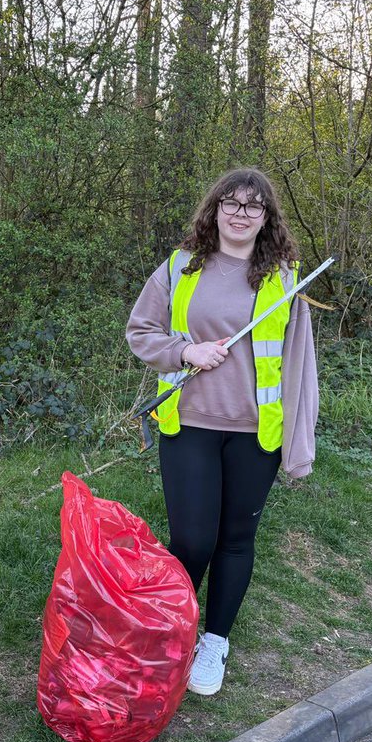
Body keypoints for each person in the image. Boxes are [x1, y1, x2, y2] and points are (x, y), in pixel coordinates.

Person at [126, 166, 318, 696]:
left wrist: (300, 439)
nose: (240, 213)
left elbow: (300, 365)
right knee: (192, 540)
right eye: (230, 203)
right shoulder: (181, 267)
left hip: (256, 433)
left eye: (252, 206)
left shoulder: (285, 278)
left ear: (266, 218)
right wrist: (185, 350)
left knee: (235, 540)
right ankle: (173, 633)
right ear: (214, 210)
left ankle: (214, 642)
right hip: (188, 424)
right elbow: (141, 331)